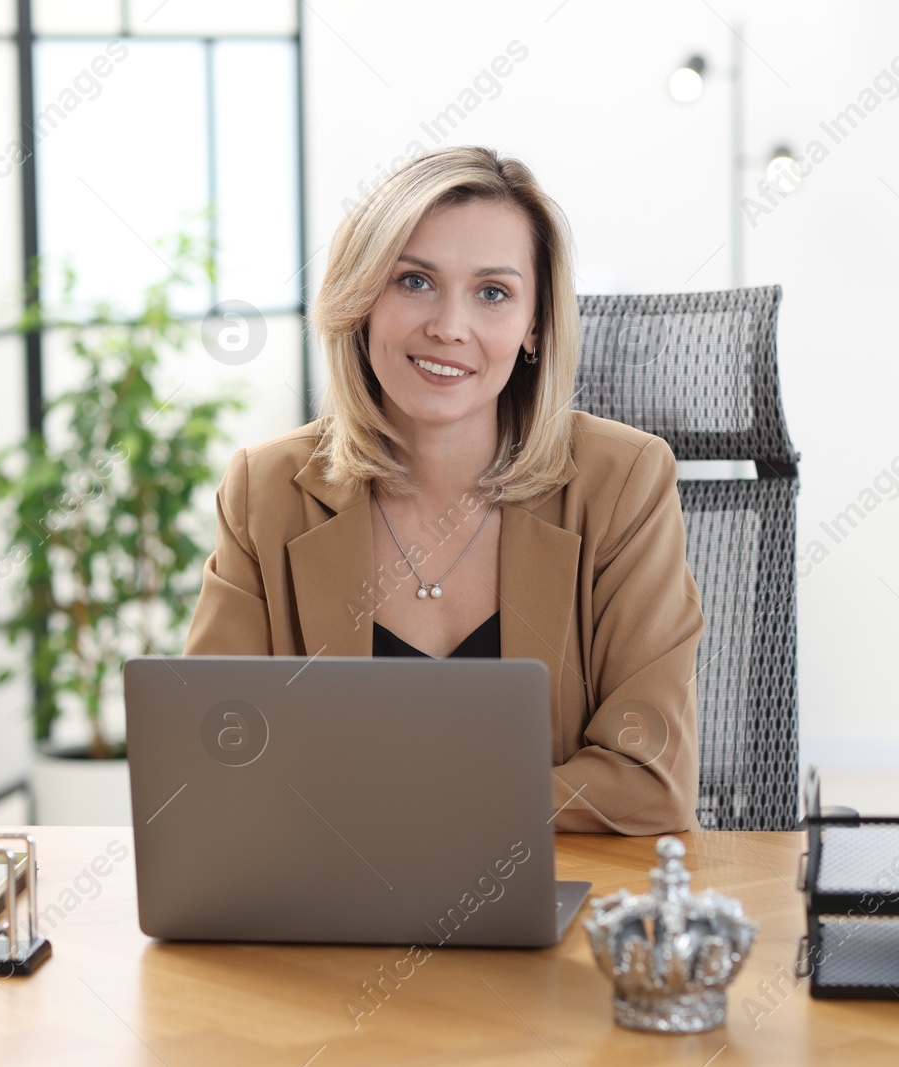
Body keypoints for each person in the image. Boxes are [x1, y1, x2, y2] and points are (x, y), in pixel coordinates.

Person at [184, 145, 704, 835]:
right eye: (414, 282)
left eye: (493, 292)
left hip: (556, 906)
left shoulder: (623, 481)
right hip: (331, 915)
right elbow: (213, 759)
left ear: (535, 327)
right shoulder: (266, 491)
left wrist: (411, 808)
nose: (449, 327)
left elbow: (650, 778)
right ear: (362, 298)